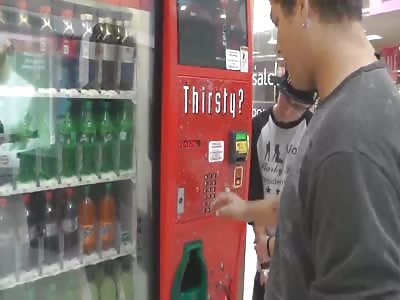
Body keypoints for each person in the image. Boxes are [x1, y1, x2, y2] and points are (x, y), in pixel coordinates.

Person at [213, 0, 400, 299]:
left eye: (277, 23)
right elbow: (310, 204)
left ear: (302, 8)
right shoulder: (359, 103)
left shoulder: (349, 136)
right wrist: (245, 209)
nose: (278, 48)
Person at [249, 71, 314, 300]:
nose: (289, 108)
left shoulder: (315, 131)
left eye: (298, 106)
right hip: (265, 240)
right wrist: (264, 258)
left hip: (298, 248)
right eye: (287, 98)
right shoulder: (257, 127)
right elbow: (254, 195)